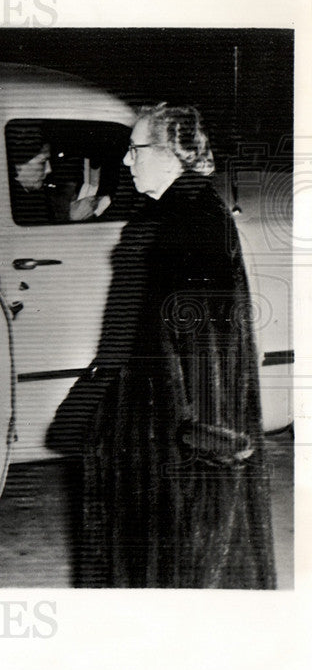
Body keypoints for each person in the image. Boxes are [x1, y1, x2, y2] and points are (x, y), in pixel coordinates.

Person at [76, 104, 276, 588]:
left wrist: (200, 439)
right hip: (153, 420)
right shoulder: (174, 213)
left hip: (173, 433)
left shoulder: (190, 223)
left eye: (135, 149)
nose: (126, 162)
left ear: (170, 154)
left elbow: (209, 343)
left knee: (182, 559)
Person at [7, 123, 111, 224]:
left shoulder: (38, 198)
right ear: (18, 166)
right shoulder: (14, 209)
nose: (49, 170)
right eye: (42, 162)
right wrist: (73, 220)